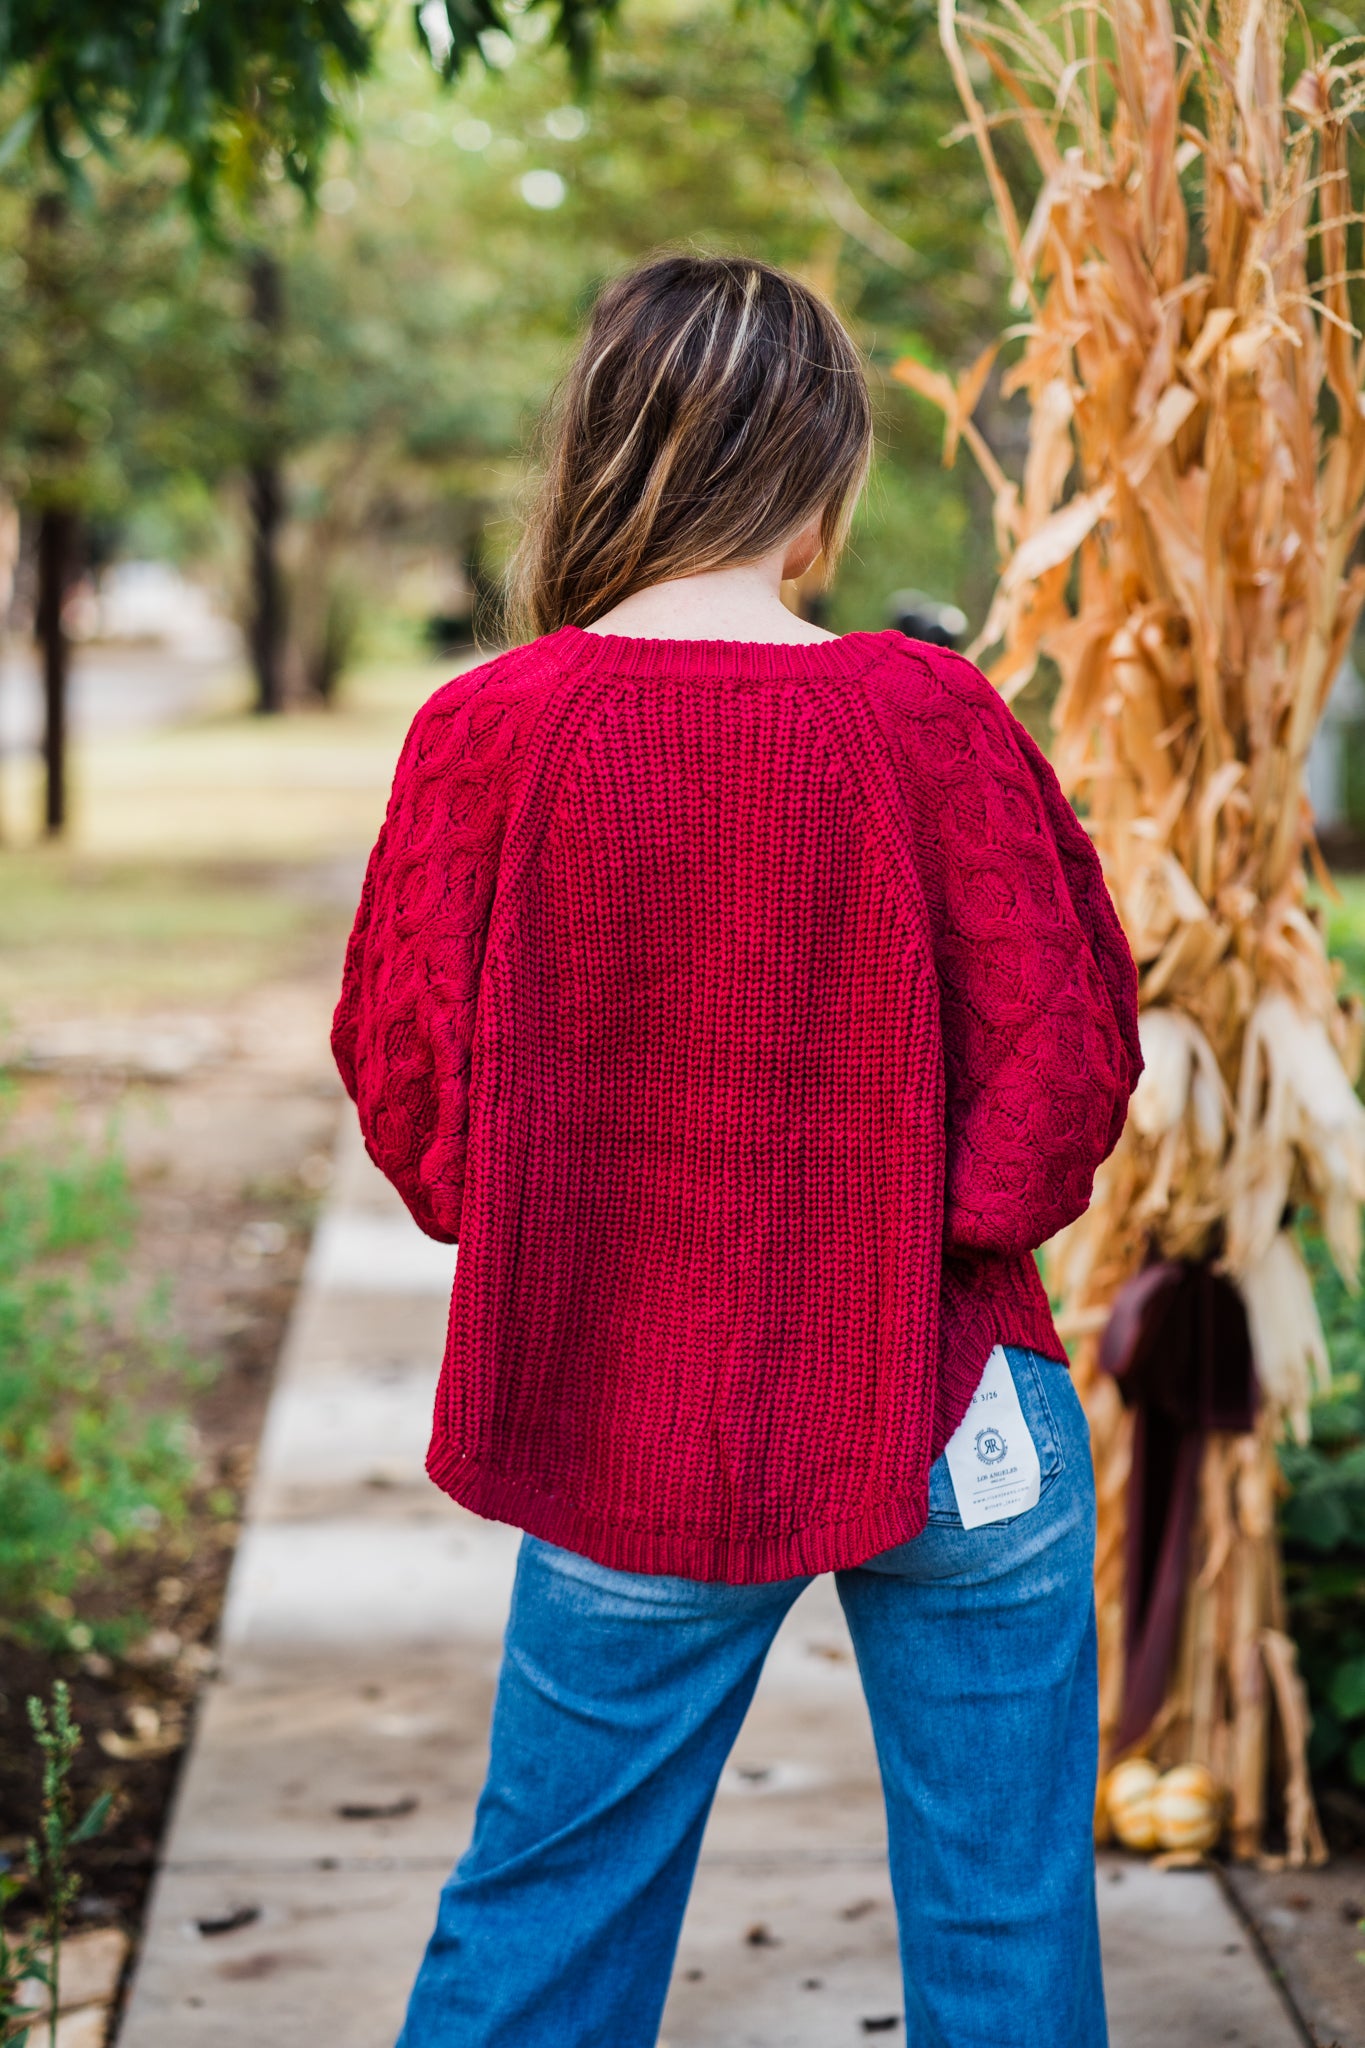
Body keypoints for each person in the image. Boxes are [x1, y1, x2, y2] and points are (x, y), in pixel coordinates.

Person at [331, 252, 1143, 2048]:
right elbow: (1068, 1055)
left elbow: (421, 1106)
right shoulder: (927, 715)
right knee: (1008, 1929)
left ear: (601, 457)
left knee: (545, 1915)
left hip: (639, 1406)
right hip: (957, 1413)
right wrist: (891, 1231)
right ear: (824, 471)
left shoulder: (492, 730)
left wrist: (628, 1218)